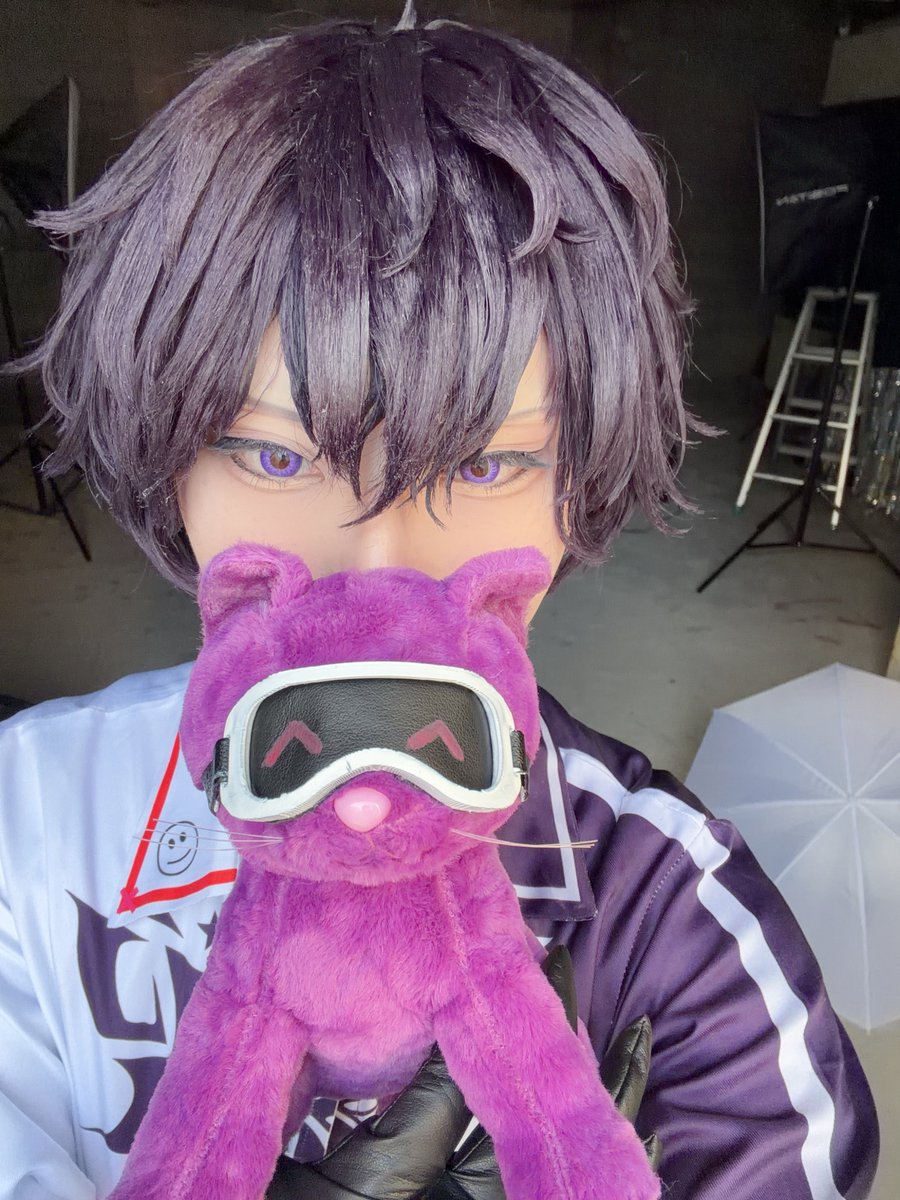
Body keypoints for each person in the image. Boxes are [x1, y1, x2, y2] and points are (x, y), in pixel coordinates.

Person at [0, 4, 878, 1198]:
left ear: (578, 489)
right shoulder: (28, 817)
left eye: (488, 463)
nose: (379, 567)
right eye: (274, 455)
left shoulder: (672, 914)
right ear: (171, 470)